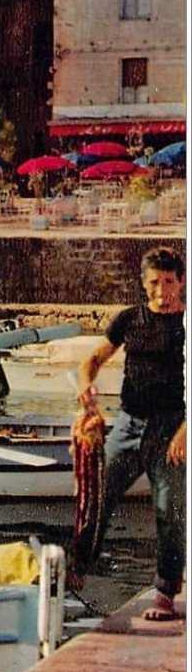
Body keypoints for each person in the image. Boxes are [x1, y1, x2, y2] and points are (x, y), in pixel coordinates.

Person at [76, 246, 186, 622]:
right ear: (143, 283)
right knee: (96, 496)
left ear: (182, 282)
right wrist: (86, 385)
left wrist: (185, 431)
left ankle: (166, 592)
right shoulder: (129, 319)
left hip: (172, 428)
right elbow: (93, 359)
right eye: (154, 282)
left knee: (169, 509)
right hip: (127, 423)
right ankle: (76, 572)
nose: (161, 290)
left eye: (169, 282)